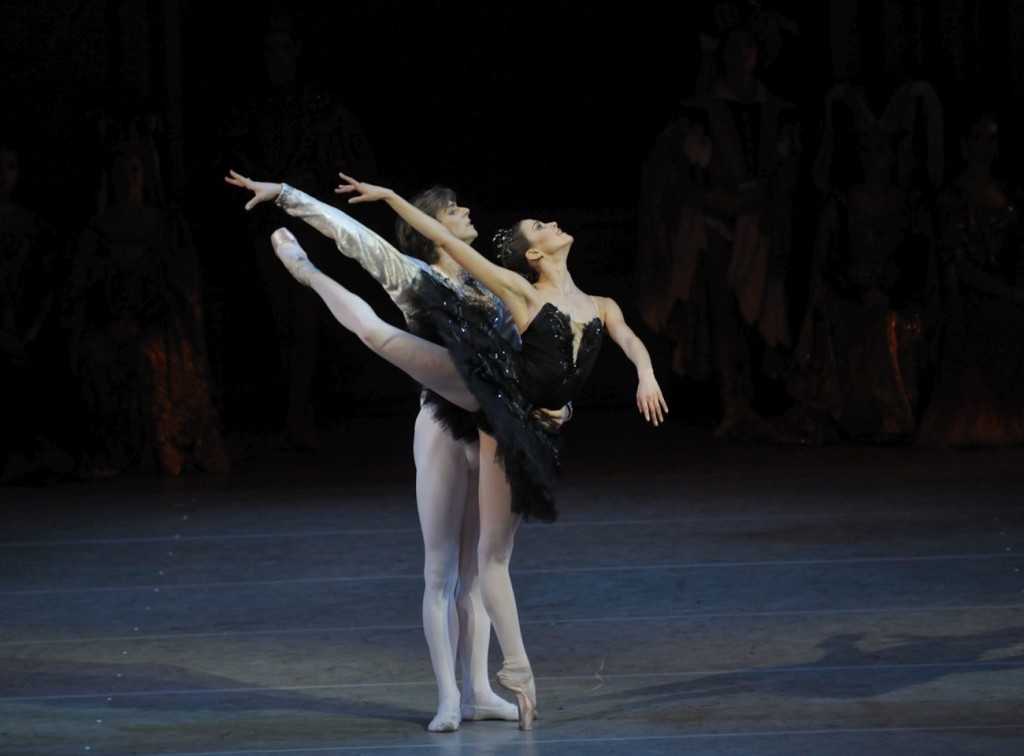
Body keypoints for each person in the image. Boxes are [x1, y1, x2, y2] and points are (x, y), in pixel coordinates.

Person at [226, 170, 668, 730]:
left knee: (480, 571)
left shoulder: (499, 287)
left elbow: (541, 364)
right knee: (441, 571)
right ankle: (448, 697)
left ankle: (482, 689)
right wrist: (289, 197)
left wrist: (565, 404)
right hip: (443, 425)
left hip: (495, 425)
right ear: (435, 228)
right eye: (455, 210)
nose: (468, 214)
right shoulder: (414, 276)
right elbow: (354, 238)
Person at [63, 115, 229, 478]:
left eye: (134, 170)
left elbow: (178, 286)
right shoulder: (98, 229)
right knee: (96, 359)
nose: (127, 179)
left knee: (149, 358)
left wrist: (144, 319)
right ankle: (110, 453)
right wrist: (110, 319)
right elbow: (84, 286)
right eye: (120, 172)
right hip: (109, 321)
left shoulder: (163, 225)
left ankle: (160, 449)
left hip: (158, 323)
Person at [916, 110, 1024, 447]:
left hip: (1007, 289)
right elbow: (958, 265)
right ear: (964, 145)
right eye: (979, 138)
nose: (987, 147)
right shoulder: (955, 198)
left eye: (992, 139)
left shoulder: (1009, 195)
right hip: (972, 295)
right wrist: (1007, 293)